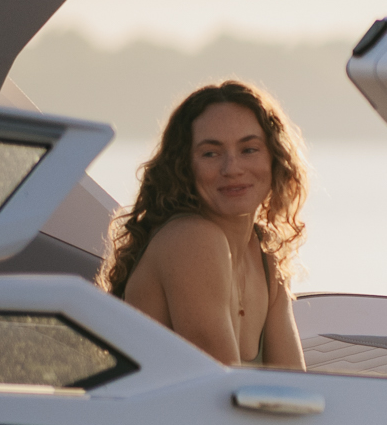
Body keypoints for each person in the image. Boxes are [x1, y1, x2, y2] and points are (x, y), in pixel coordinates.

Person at [101, 80, 310, 370]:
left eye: (249, 149)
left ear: (275, 158)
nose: (232, 168)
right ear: (185, 166)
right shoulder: (191, 239)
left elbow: (292, 389)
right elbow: (220, 392)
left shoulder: (266, 257)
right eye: (211, 153)